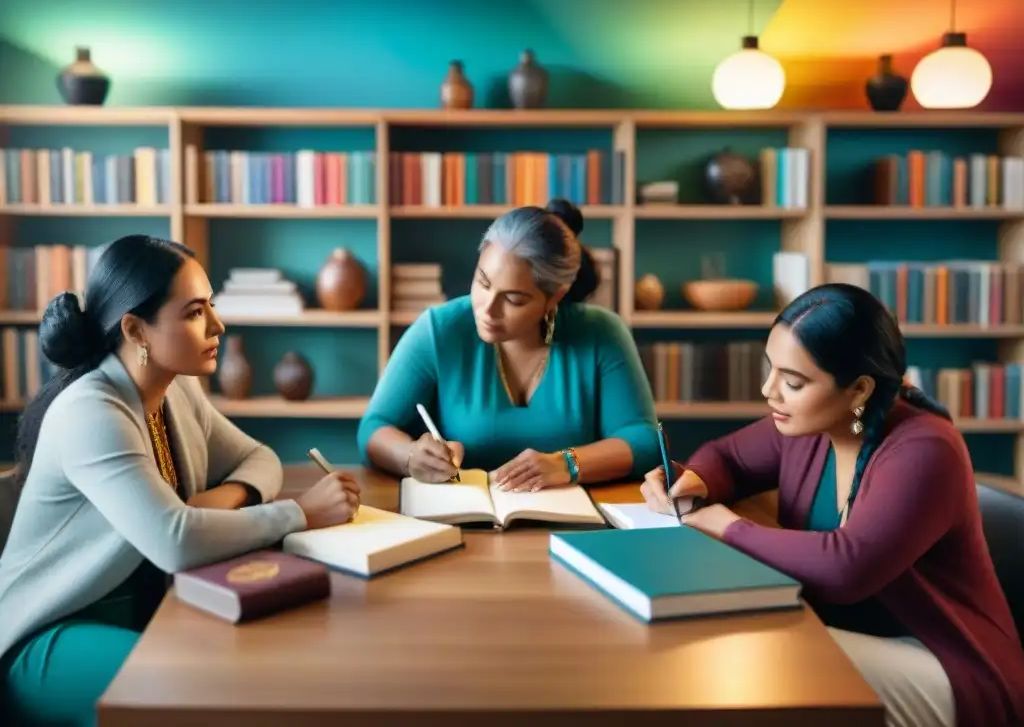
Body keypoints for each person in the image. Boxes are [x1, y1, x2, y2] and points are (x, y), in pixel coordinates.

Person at [0, 235, 360, 727]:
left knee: (283, 657)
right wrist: (300, 513)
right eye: (194, 312)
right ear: (135, 329)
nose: (218, 324)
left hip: (152, 605)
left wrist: (217, 501)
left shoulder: (175, 389)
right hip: (51, 632)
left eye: (211, 305)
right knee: (203, 684)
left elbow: (260, 458)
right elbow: (175, 542)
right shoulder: (93, 411)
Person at [640, 283, 1024, 727]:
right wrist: (694, 482)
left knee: (757, 659)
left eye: (793, 381)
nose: (769, 391)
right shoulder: (813, 425)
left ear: (859, 389)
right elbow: (728, 457)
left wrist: (727, 527)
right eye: (772, 370)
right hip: (850, 634)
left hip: (948, 664)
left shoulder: (926, 449)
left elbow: (848, 568)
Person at [358, 198, 660, 490]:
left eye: (514, 299)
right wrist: (410, 456)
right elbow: (373, 429)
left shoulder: (601, 333)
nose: (487, 309)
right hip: (460, 521)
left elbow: (644, 441)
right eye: (482, 283)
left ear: (556, 295)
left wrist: (566, 463)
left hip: (574, 527)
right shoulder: (440, 329)